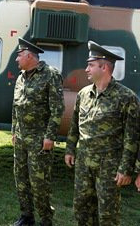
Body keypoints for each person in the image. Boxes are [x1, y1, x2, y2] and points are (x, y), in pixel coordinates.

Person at [64, 40, 139, 225]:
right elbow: (75, 125)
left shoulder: (126, 97)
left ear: (104, 67)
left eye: (91, 65)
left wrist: (126, 169)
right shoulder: (83, 94)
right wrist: (70, 149)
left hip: (109, 166)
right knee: (81, 209)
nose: (86, 69)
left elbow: (133, 137)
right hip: (83, 163)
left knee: (107, 214)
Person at [12, 37, 65, 226]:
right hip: (21, 138)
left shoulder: (50, 74)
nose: (16, 60)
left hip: (39, 139)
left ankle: (45, 220)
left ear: (29, 56)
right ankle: (26, 217)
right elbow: (15, 107)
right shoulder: (21, 77)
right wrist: (13, 131)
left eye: (19, 56)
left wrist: (50, 136)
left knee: (39, 182)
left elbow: (57, 108)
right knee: (21, 180)